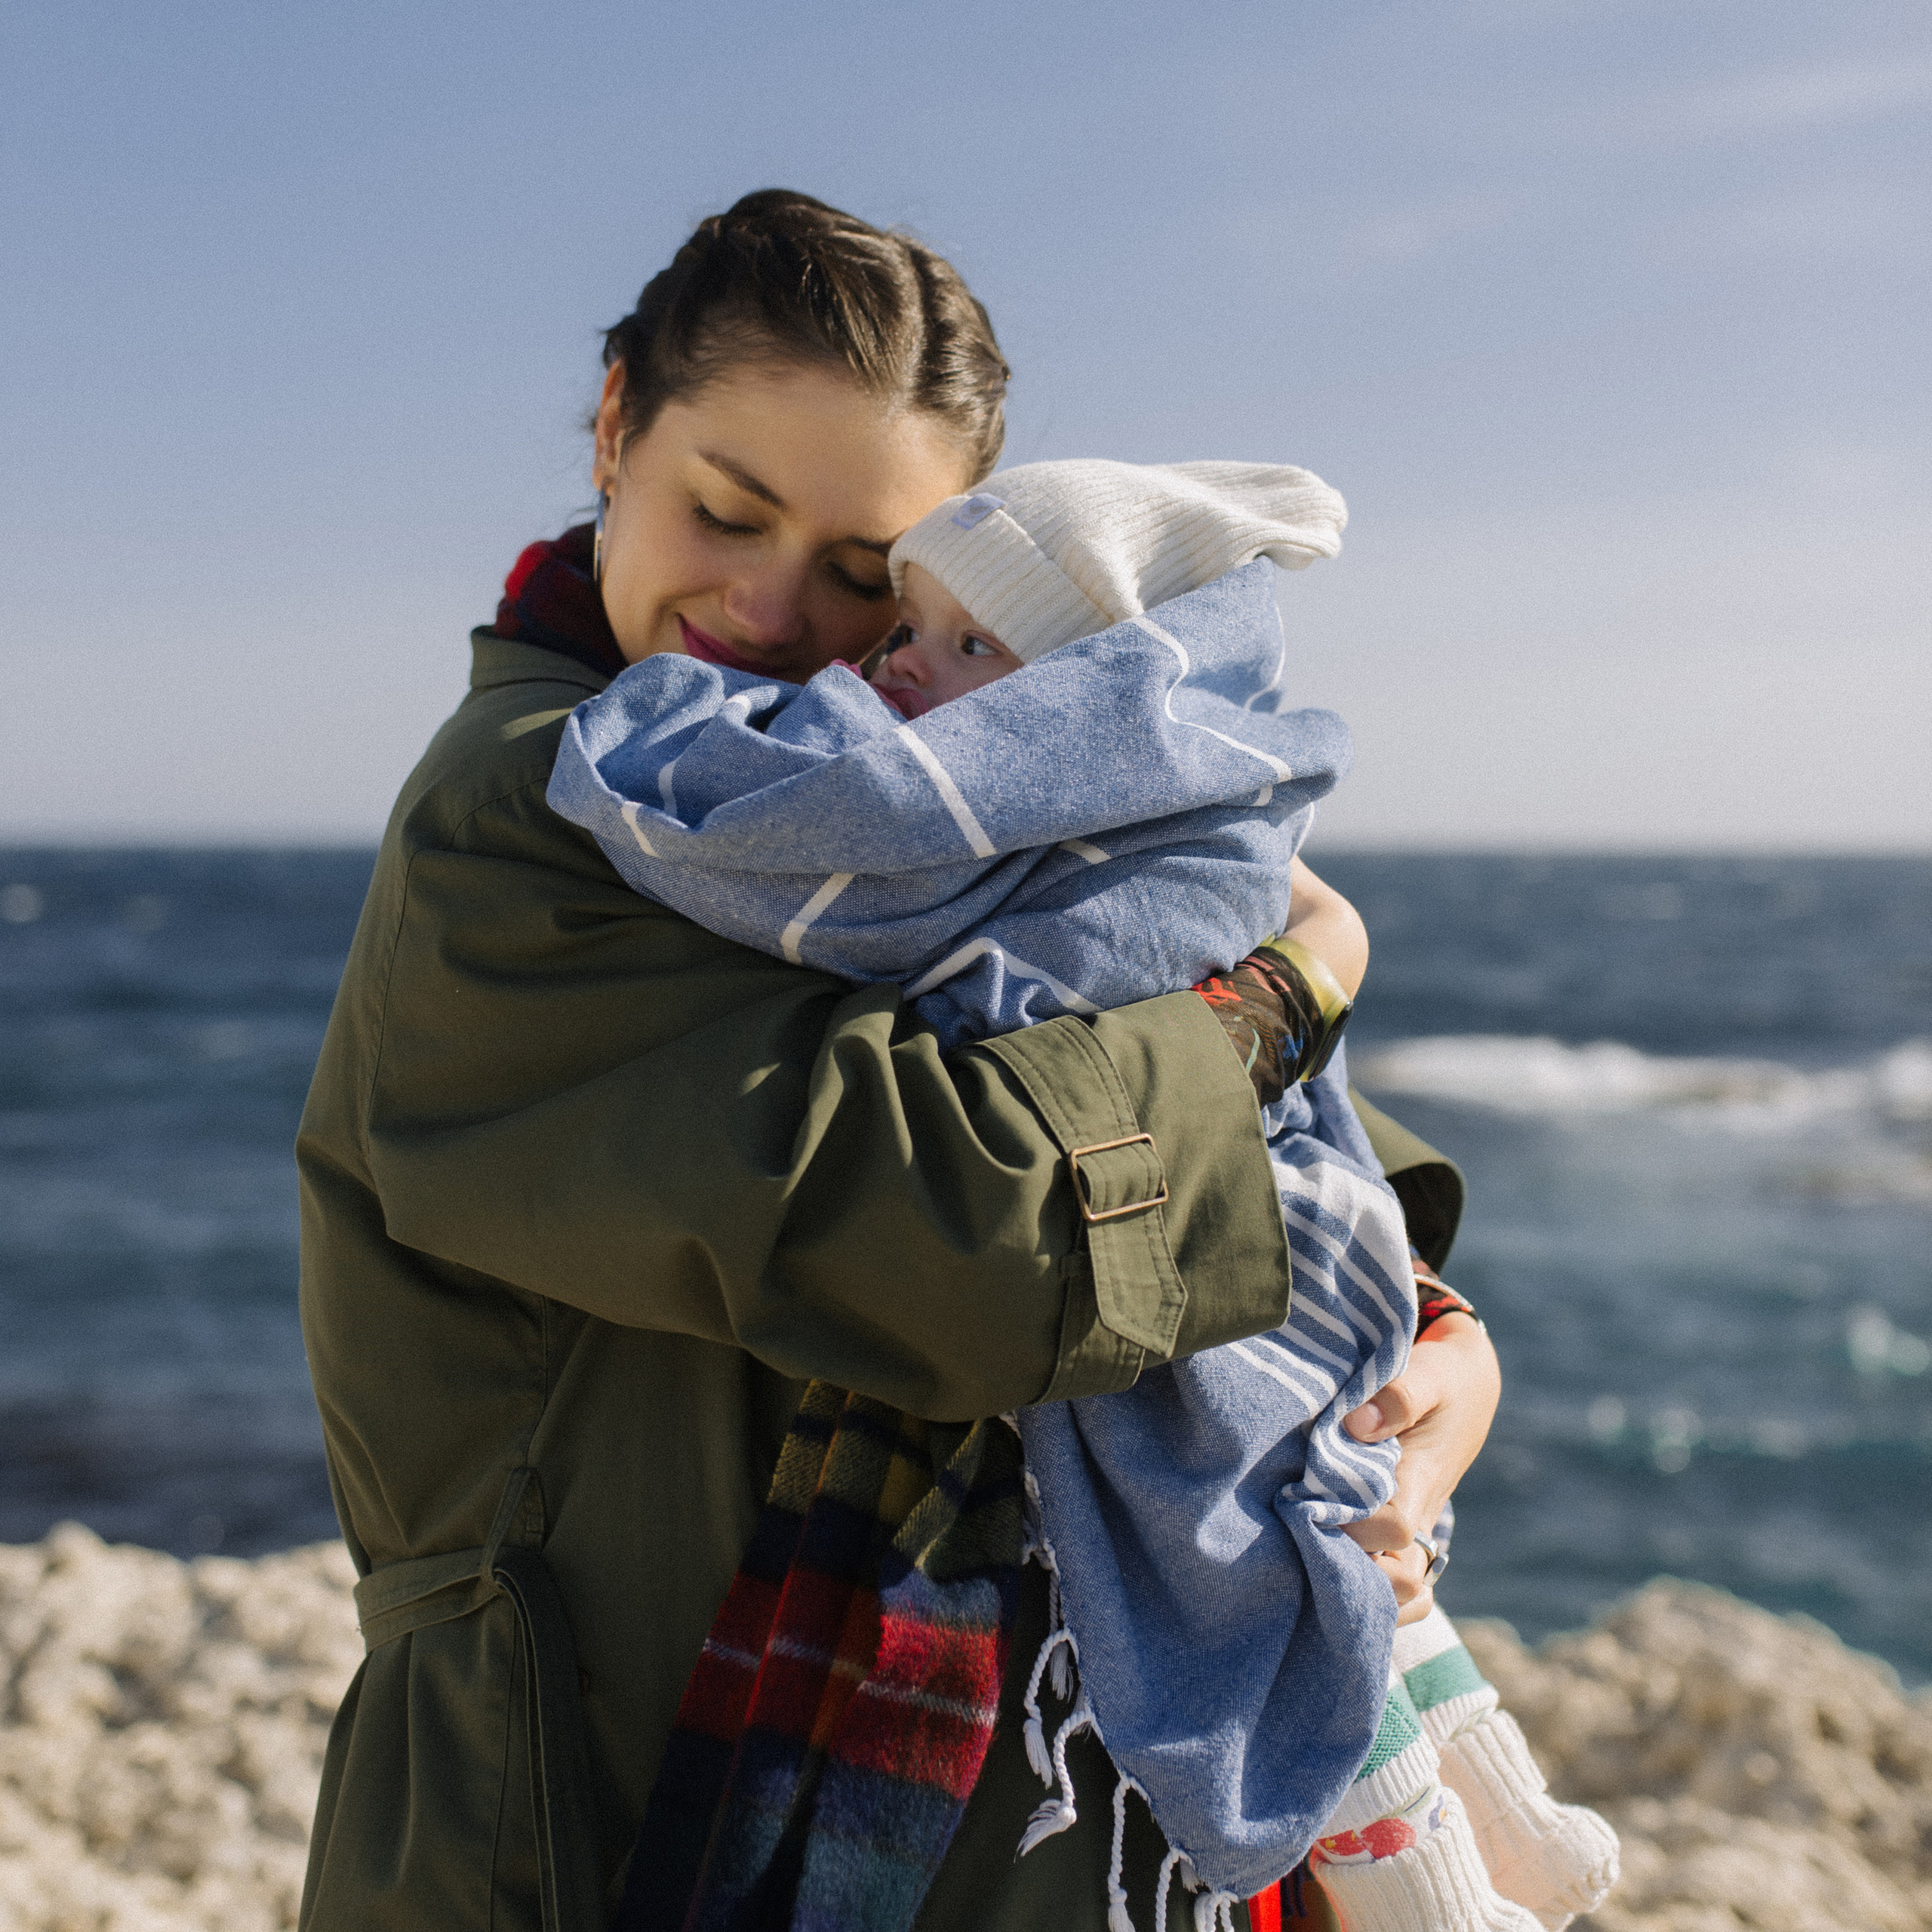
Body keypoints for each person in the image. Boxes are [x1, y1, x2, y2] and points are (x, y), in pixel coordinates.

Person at [295, 189, 1503, 1932]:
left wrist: (1431, 1341)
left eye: (869, 576)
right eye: (727, 509)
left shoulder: (906, 801)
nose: (775, 611)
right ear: (615, 422)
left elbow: (1217, 1113)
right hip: (592, 1816)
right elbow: (967, 1225)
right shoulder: (540, 812)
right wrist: (1292, 986)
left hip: (970, 1802)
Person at [548, 459, 1617, 1932]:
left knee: (1259, 1539)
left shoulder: (1100, 823)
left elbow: (1080, 1032)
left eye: (969, 640)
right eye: (906, 621)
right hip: (1191, 1232)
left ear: (1097, 689)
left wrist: (1440, 1311)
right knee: (1307, 1520)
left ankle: (1438, 1865)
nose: (894, 655)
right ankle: (1491, 1821)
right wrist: (1302, 978)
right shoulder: (1134, 826)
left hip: (1220, 1243)